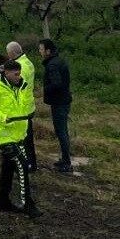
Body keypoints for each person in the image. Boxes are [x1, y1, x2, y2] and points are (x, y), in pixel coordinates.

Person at [0, 60, 40, 218]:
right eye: (15, 74)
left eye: (19, 73)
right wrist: (3, 118)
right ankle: (28, 204)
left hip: (19, 135)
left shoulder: (20, 86)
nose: (18, 76)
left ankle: (3, 202)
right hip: (4, 138)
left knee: (7, 170)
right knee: (22, 167)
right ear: (6, 73)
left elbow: (22, 106)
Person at [39, 38, 73, 173]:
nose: (39, 51)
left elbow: (57, 83)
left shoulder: (52, 65)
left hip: (59, 102)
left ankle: (66, 162)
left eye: (41, 49)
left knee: (61, 132)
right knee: (63, 131)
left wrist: (45, 90)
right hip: (64, 100)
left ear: (48, 51)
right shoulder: (58, 60)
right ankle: (65, 159)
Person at [6, 41, 37, 171]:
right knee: (27, 137)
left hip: (22, 107)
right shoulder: (27, 62)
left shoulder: (20, 66)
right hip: (28, 104)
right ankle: (30, 162)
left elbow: (16, 84)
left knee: (25, 138)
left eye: (8, 53)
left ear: (12, 53)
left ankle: (28, 164)